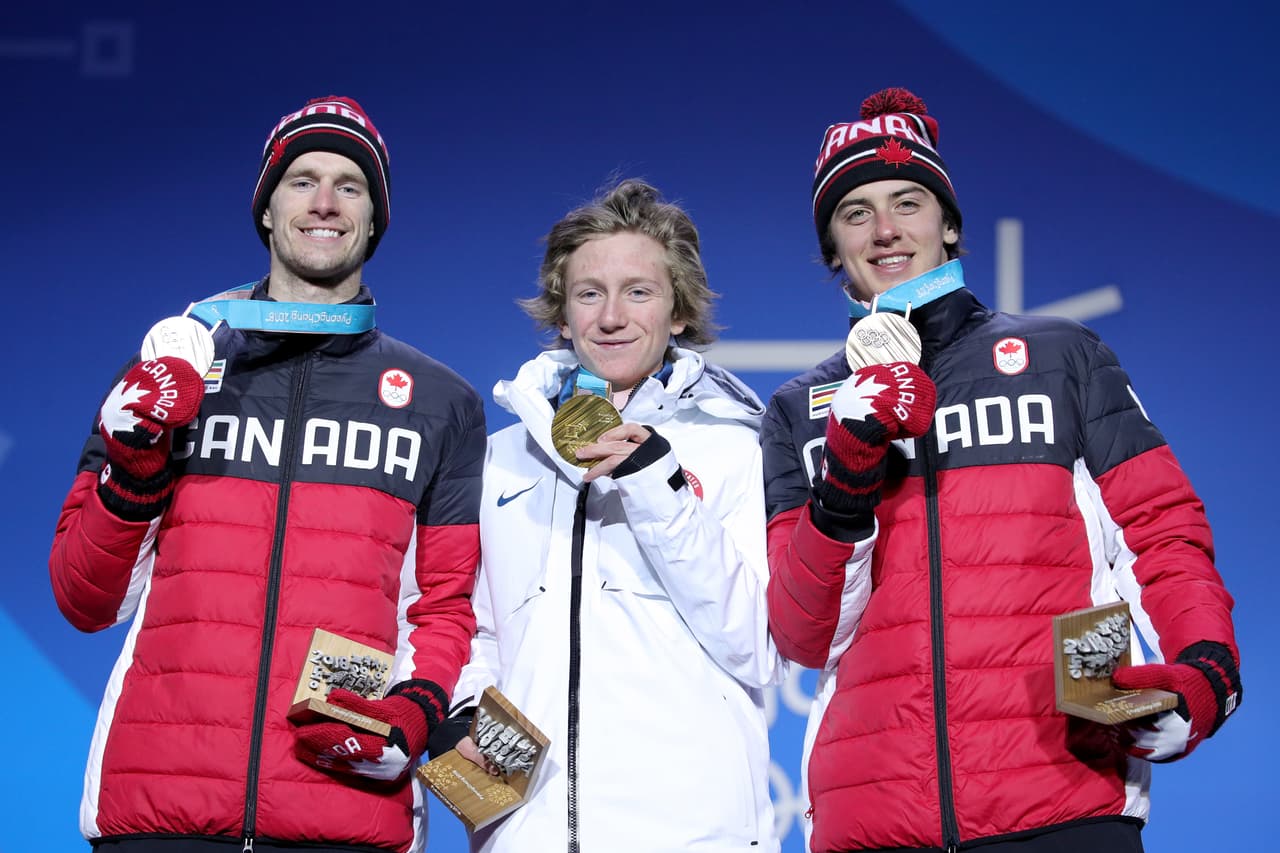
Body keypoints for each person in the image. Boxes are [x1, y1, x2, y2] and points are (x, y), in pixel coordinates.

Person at [762, 87, 1242, 852]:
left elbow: (1164, 531)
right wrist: (850, 465)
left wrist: (1205, 670)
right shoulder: (799, 409)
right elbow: (801, 633)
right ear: (832, 250)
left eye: (908, 202)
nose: (886, 230)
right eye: (856, 214)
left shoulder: (1062, 356)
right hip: (874, 818)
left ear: (948, 223)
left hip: (1063, 798)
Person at [49, 96, 486, 853]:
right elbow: (85, 599)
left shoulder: (440, 402)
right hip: (162, 810)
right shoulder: (169, 370)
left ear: (375, 219)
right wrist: (137, 464)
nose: (324, 202)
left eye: (350, 185)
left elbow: (445, 604)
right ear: (266, 209)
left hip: (344, 816)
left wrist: (416, 703)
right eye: (302, 180)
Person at [433, 179, 783, 852]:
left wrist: (659, 486)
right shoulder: (502, 457)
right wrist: (469, 714)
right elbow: (474, 628)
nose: (611, 316)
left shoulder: (736, 447)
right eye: (589, 293)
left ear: (678, 312)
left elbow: (758, 645)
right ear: (562, 316)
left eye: (639, 292)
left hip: (690, 836)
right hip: (527, 835)